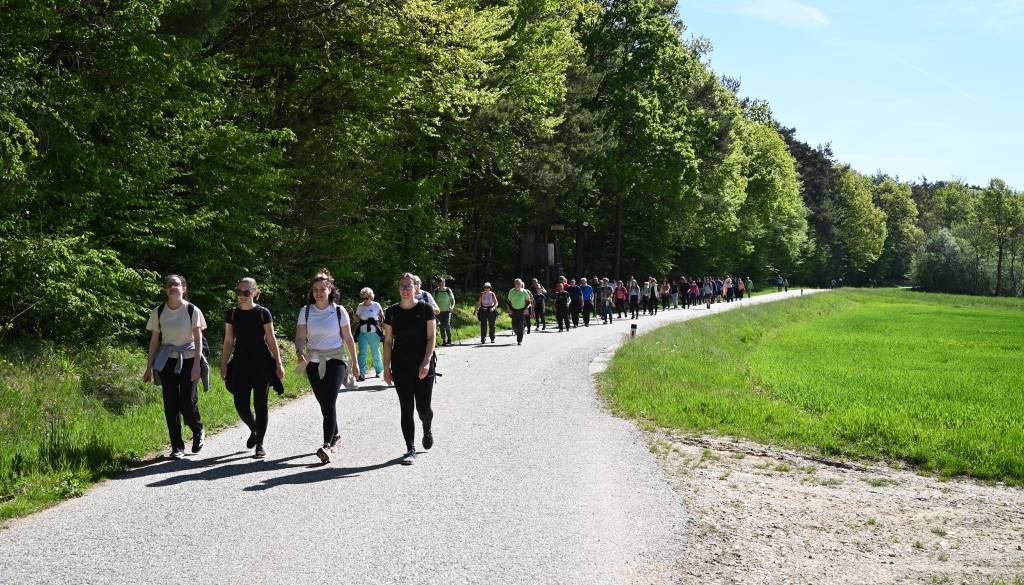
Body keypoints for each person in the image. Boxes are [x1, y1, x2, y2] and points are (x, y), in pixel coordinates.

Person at [296, 270, 360, 464]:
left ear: (330, 289)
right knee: (324, 403)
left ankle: (326, 445)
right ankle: (336, 436)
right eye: (315, 290)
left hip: (336, 359)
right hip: (313, 361)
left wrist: (355, 363)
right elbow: (300, 337)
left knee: (330, 401)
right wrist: (300, 352)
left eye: (322, 289)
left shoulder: (338, 311)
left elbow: (348, 338)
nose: (318, 293)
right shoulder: (306, 311)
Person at [144, 274, 209, 460]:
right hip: (167, 361)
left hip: (189, 359)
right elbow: (154, 342)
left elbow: (198, 340)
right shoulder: (158, 312)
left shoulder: (192, 310)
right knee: (171, 404)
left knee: (187, 402)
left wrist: (197, 365)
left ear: (184, 288)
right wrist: (149, 367)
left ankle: (197, 429)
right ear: (166, 289)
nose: (173, 286)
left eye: (177, 284)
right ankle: (177, 447)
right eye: (170, 284)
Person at [220, 278, 284, 459]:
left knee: (260, 403)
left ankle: (260, 444)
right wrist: (224, 364)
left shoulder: (263, 313)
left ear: (255, 292)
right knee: (240, 404)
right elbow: (228, 341)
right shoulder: (232, 314)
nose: (242, 296)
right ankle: (255, 429)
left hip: (262, 363)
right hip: (240, 362)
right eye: (239, 292)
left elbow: (271, 339)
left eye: (246, 292)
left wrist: (278, 363)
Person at [383, 273, 437, 465]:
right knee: (406, 408)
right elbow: (388, 341)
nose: (405, 289)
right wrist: (386, 368)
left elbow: (431, 337)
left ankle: (427, 425)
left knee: (423, 408)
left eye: (409, 286)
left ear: (416, 288)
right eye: (402, 286)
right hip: (401, 365)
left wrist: (427, 360)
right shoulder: (392, 311)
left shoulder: (425, 309)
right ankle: (410, 449)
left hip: (423, 363)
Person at [354, 287, 385, 381]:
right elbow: (357, 319)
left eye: (366, 298)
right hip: (362, 332)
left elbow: (382, 317)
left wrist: (381, 316)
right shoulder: (360, 306)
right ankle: (361, 374)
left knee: (376, 353)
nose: (365, 300)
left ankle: (379, 371)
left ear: (371, 297)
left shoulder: (376, 305)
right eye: (363, 298)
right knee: (362, 353)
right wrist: (354, 316)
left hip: (374, 332)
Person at [506, 278, 532, 345]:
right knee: (514, 325)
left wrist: (526, 309)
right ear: (514, 284)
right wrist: (509, 309)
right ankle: (519, 333)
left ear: (521, 284)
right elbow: (508, 301)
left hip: (522, 310)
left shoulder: (524, 292)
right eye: (516, 283)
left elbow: (529, 301)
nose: (517, 285)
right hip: (514, 310)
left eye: (519, 283)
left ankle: (519, 340)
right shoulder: (511, 291)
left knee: (520, 325)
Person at [433, 278, 455, 346]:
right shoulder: (436, 291)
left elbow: (453, 300)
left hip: (447, 311)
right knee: (441, 326)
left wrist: (452, 307)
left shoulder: (448, 290)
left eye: (443, 282)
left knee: (447, 325)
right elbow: (432, 301)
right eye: (440, 283)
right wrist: (434, 309)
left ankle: (449, 339)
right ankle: (444, 340)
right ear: (438, 284)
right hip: (438, 312)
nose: (442, 284)